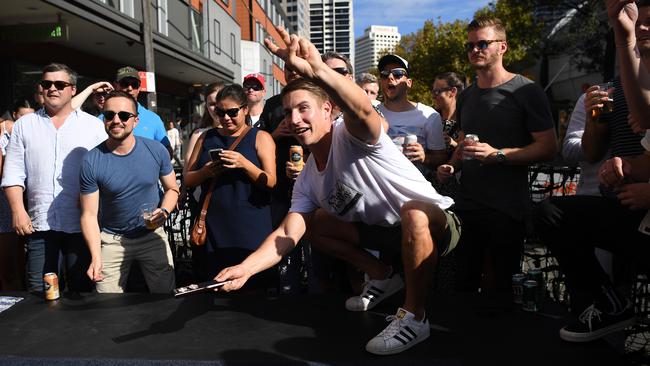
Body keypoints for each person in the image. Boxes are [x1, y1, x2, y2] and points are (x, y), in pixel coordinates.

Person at [216, 28, 460, 356]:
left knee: (414, 212)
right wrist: (245, 269)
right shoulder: (306, 181)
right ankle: (382, 276)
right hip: (386, 233)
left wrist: (318, 69)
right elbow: (288, 233)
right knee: (314, 223)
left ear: (329, 112)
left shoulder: (352, 134)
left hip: (435, 223)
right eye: (288, 112)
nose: (295, 119)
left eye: (304, 109)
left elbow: (362, 111)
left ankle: (414, 317)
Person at [437, 17, 557, 292]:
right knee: (464, 287)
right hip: (467, 206)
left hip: (507, 209)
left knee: (500, 293)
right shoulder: (466, 97)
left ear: (502, 47)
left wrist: (498, 155)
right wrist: (452, 165)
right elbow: (466, 140)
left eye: (482, 43)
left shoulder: (526, 90)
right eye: (470, 45)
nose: (475, 50)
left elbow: (550, 147)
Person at [1, 63, 107, 293]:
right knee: (39, 292)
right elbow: (13, 173)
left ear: (73, 90)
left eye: (60, 84)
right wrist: (18, 211)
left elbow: (104, 172)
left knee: (81, 292)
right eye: (47, 84)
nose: (53, 89)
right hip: (39, 226)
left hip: (81, 226)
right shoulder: (24, 125)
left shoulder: (93, 127)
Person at [80, 91, 179, 293]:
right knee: (106, 307)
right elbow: (89, 215)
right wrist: (96, 256)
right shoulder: (91, 160)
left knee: (165, 299)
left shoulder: (156, 150)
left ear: (136, 120)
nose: (116, 120)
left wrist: (164, 212)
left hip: (152, 236)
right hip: (111, 240)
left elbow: (172, 189)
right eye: (109, 115)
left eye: (124, 115)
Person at [184, 84, 276, 283]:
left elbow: (270, 181)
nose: (226, 118)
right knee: (213, 284)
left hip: (250, 224)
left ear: (245, 109)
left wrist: (244, 164)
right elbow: (188, 178)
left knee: (253, 286)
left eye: (232, 112)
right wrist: (205, 172)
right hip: (213, 225)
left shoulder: (260, 137)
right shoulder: (206, 137)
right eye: (220, 112)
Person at [377, 54, 447, 177]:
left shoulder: (429, 115)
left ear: (409, 83)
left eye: (398, 74)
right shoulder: (372, 114)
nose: (390, 77)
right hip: (378, 191)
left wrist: (425, 158)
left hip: (414, 192)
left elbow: (441, 159)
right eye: (384, 74)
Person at [0, 100, 34, 290]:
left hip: (26, 203)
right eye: (23, 117)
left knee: (20, 256)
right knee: (8, 261)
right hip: (7, 206)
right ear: (15, 116)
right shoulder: (5, 135)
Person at [606, 0, 650, 128]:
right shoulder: (611, 91)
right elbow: (646, 118)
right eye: (636, 24)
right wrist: (593, 121)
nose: (641, 28)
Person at [111, 66, 172, 155]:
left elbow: (167, 151)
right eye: (125, 83)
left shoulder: (153, 119)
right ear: (115, 86)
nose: (130, 88)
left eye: (134, 84)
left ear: (139, 88)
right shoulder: (104, 119)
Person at [431, 72, 465, 197]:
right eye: (433, 92)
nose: (434, 96)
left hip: (459, 191)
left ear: (452, 92)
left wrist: (453, 143)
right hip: (431, 188)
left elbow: (472, 152)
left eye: (437, 92)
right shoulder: (430, 118)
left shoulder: (467, 119)